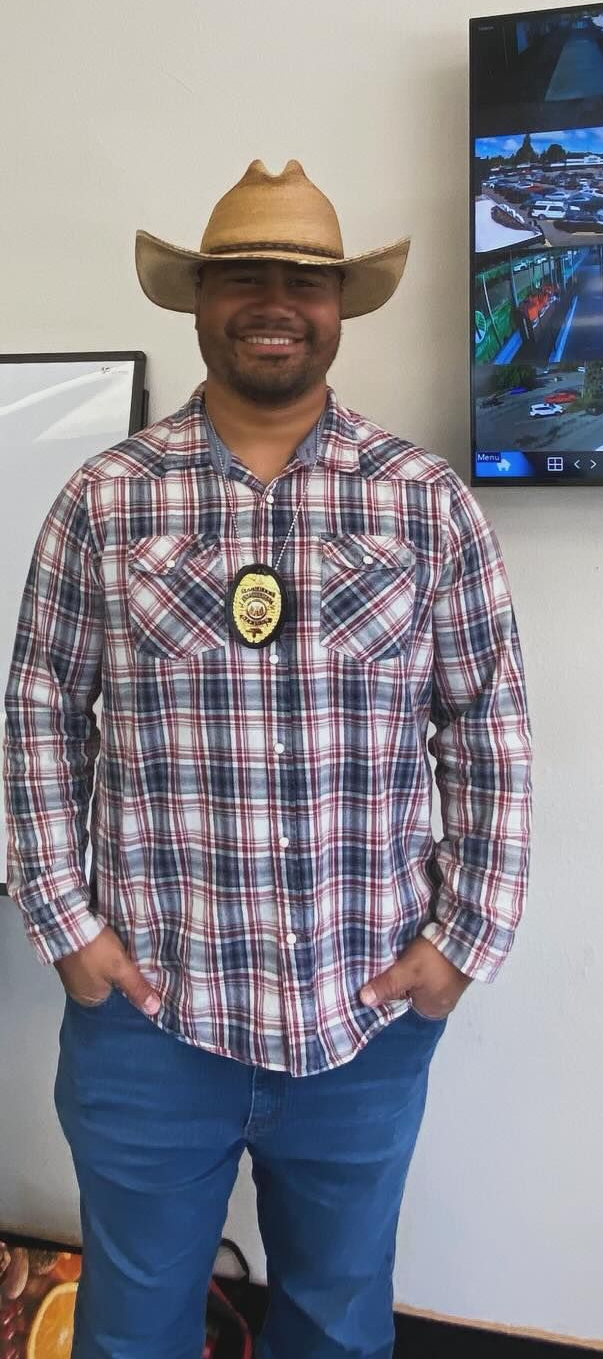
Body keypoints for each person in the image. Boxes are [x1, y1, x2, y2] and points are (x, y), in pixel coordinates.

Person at [4, 160, 532, 1359]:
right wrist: (69, 931)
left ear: (342, 306)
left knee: (338, 1327)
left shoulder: (422, 503)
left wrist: (463, 940)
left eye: (304, 280)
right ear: (199, 299)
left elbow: (489, 721)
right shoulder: (107, 500)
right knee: (132, 1327)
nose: (273, 301)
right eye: (244, 275)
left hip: (361, 1020)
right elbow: (38, 711)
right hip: (149, 1019)